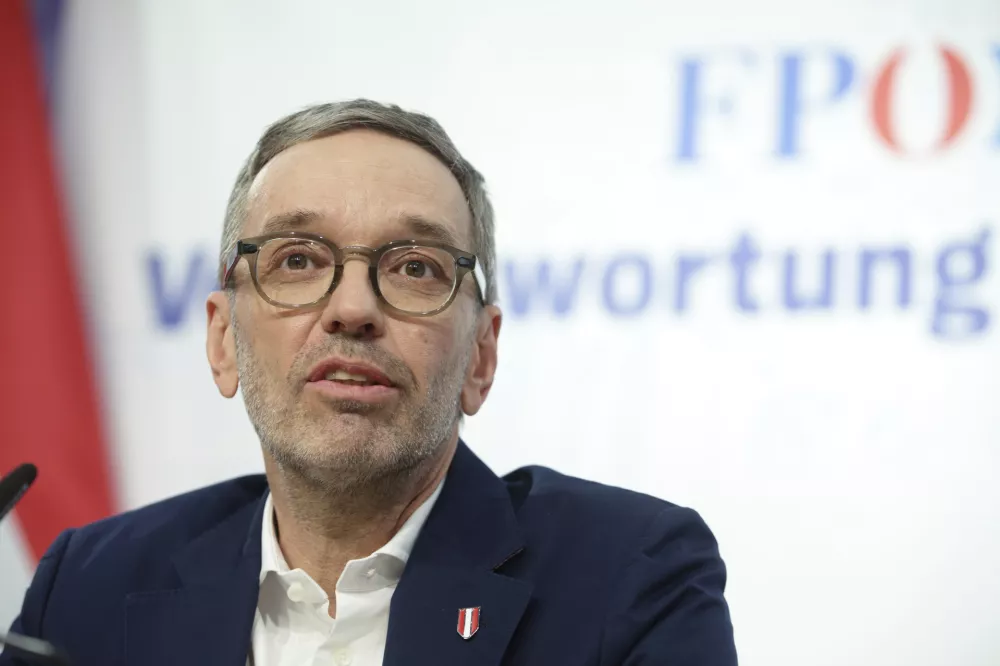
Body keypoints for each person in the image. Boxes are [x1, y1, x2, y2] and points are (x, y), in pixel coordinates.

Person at [1, 100, 737, 666]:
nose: (352, 309)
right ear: (222, 340)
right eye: (297, 260)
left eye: (414, 267)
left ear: (480, 357)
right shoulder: (90, 585)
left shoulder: (628, 577)